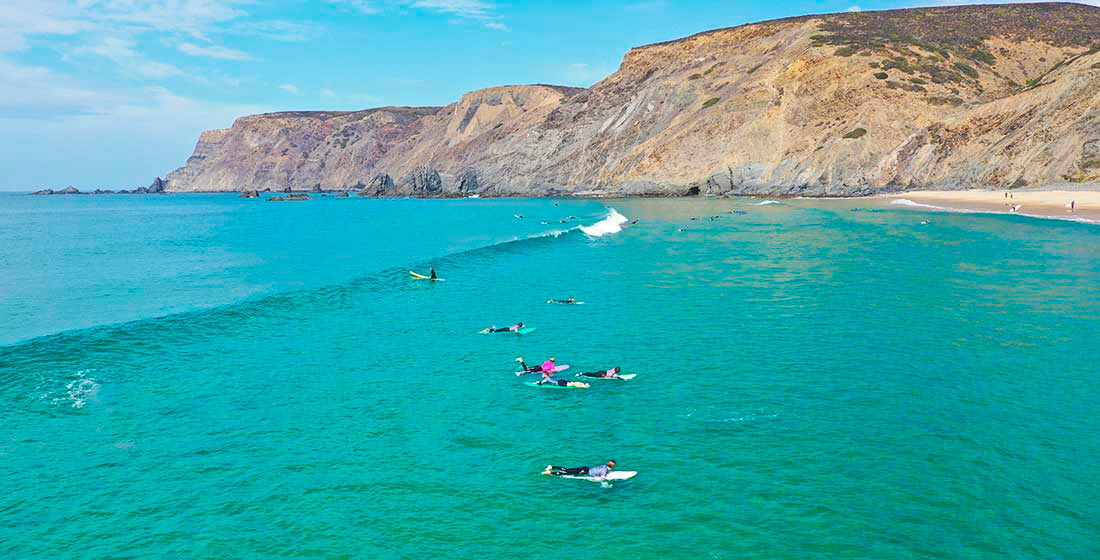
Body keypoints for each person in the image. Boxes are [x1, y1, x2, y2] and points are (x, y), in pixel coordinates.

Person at [543, 460, 615, 477]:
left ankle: (552, 467)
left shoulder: (604, 465)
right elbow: (602, 477)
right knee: (567, 473)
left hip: (585, 468)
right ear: (612, 466)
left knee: (567, 470)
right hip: (584, 471)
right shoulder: (605, 470)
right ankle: (550, 472)